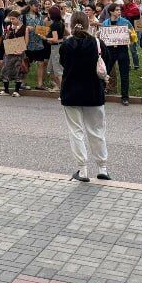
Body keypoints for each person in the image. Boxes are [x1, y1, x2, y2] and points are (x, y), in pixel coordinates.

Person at [60, 10, 110, 183]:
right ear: (89, 24)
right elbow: (106, 65)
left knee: (76, 131)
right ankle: (102, 167)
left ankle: (82, 169)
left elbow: (63, 64)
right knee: (97, 131)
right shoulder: (97, 43)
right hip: (94, 92)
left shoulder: (66, 45)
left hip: (71, 92)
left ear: (71, 25)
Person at [101, 4, 132, 106]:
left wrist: (130, 34)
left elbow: (134, 36)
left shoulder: (125, 22)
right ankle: (101, 94)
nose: (119, 12)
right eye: (117, 10)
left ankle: (125, 97)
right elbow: (103, 37)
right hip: (109, 50)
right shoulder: (105, 23)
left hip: (122, 49)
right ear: (111, 12)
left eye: (120, 10)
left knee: (124, 73)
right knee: (105, 72)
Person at [24, 0, 51, 91]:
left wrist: (35, 29)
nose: (38, 7)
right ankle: (23, 82)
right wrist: (26, 29)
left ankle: (40, 84)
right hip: (27, 44)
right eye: (36, 6)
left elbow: (44, 31)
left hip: (39, 44)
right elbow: (18, 27)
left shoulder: (40, 17)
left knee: (41, 63)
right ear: (31, 6)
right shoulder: (24, 17)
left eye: (39, 6)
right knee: (27, 64)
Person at [0, 11, 27, 97]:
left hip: (19, 52)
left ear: (18, 18)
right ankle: (6, 89)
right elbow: (5, 38)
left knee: (18, 70)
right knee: (5, 69)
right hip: (10, 50)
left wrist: (22, 50)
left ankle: (16, 90)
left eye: (13, 19)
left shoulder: (24, 28)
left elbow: (26, 41)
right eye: (10, 19)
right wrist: (8, 33)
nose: (12, 20)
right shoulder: (9, 27)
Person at [44, 5, 66, 91]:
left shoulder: (54, 25)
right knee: (51, 69)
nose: (48, 15)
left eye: (49, 13)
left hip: (56, 48)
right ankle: (58, 86)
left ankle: (63, 90)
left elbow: (55, 39)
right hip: (57, 47)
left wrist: (45, 38)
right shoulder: (61, 22)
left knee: (58, 70)